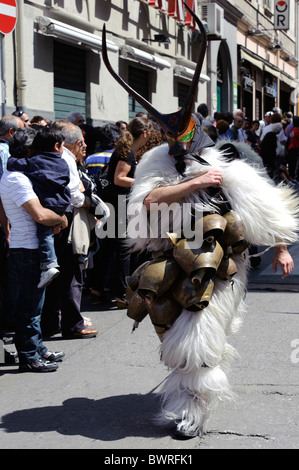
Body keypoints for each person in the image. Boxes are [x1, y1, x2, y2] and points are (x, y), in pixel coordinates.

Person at [102, 6, 299, 439]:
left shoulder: (231, 159)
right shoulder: (157, 160)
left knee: (198, 338)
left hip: (220, 265)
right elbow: (147, 202)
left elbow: (266, 205)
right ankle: (190, 389)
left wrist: (282, 247)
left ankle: (190, 412)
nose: (178, 143)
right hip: (169, 260)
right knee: (173, 332)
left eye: (184, 137)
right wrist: (194, 183)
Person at [0, 132, 67, 372]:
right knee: (29, 308)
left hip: (25, 247)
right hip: (27, 250)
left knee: (34, 306)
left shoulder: (17, 176)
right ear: (28, 151)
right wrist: (60, 218)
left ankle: (38, 348)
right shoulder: (17, 179)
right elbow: (39, 214)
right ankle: (29, 356)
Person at [41, 122, 98, 339]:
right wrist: (89, 200)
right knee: (72, 275)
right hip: (66, 221)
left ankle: (51, 323)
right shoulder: (65, 158)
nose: (83, 147)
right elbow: (75, 195)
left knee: (53, 276)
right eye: (81, 143)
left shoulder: (45, 156)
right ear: (73, 143)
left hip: (50, 221)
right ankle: (73, 325)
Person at [89, 116, 152, 307]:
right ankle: (122, 293)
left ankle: (97, 288)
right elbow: (119, 179)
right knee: (124, 248)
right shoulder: (128, 152)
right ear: (144, 133)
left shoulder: (125, 149)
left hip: (114, 203)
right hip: (119, 204)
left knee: (108, 248)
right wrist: (143, 184)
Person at [7, 127, 71, 289]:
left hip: (48, 203)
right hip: (62, 202)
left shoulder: (35, 162)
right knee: (48, 233)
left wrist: (10, 161)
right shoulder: (62, 162)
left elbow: (17, 164)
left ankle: (49, 264)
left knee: (44, 234)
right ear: (57, 146)